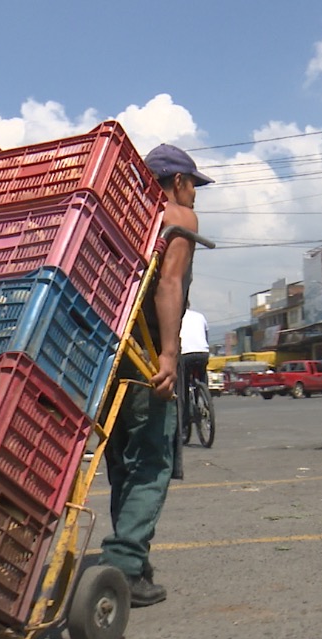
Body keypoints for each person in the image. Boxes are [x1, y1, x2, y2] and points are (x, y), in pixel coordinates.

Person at [101, 143, 212, 607]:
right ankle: (124, 566)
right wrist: (169, 355)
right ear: (178, 182)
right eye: (193, 186)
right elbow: (169, 283)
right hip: (145, 351)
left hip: (106, 355)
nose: (195, 196)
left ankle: (134, 561)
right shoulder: (179, 218)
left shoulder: (121, 217)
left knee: (123, 460)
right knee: (152, 461)